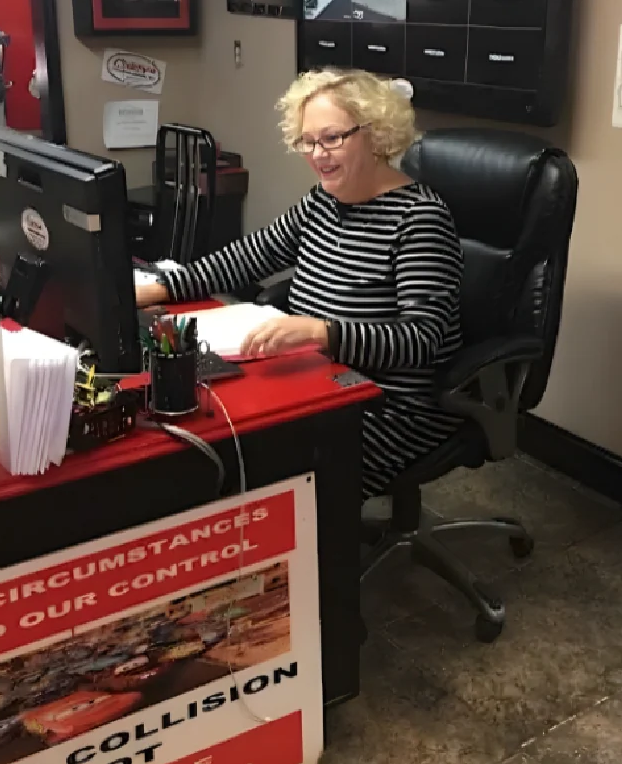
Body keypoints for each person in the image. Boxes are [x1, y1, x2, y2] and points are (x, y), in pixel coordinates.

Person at [136, 69, 464, 499]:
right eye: (307, 141)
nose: (317, 154)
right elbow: (243, 259)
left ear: (376, 134)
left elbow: (422, 341)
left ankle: (316, 557)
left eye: (332, 138)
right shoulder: (322, 203)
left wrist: (319, 331)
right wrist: (158, 288)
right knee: (211, 442)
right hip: (315, 378)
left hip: (386, 404)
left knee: (267, 473)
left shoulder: (419, 220)